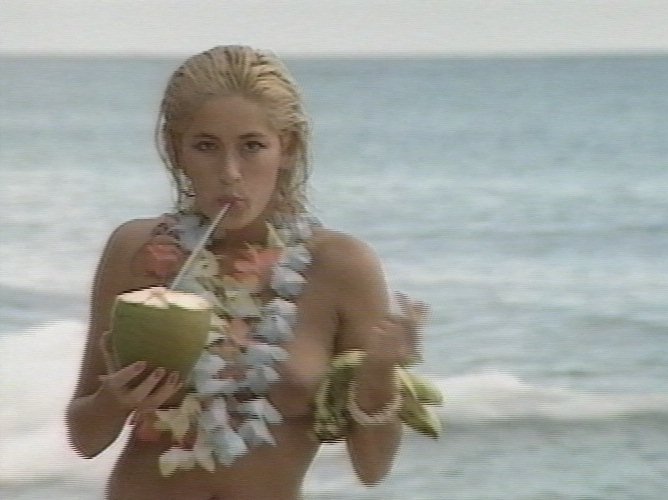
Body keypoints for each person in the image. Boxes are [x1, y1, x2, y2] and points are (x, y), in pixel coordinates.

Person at [66, 45, 440, 500]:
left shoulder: (341, 267)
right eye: (206, 146)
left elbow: (372, 467)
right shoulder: (137, 251)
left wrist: (378, 373)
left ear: (288, 148)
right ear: (176, 150)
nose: (230, 173)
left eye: (252, 146)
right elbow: (85, 439)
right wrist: (113, 401)